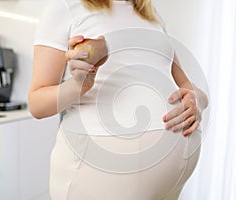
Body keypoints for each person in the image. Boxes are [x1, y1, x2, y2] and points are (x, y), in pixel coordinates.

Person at [29, 0, 208, 199]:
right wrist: (79, 84)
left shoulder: (149, 15)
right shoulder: (65, 8)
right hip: (97, 168)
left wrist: (197, 100)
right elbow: (37, 105)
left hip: (171, 174)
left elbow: (187, 85)